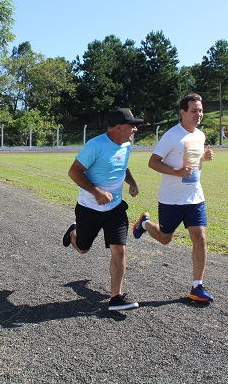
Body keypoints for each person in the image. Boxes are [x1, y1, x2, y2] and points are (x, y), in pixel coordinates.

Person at [132, 93, 215, 302]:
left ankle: (197, 286)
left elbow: (193, 163)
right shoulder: (171, 135)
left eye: (201, 110)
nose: (199, 114)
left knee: (200, 238)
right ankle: (145, 224)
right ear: (183, 112)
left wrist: (203, 158)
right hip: (171, 199)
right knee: (165, 238)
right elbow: (153, 162)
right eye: (194, 110)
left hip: (194, 197)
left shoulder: (200, 135)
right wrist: (176, 172)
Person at [62, 108, 143, 311]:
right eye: (132, 125)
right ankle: (73, 231)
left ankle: (116, 297)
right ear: (118, 127)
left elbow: (122, 167)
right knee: (82, 248)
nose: (135, 129)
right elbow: (74, 172)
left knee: (119, 249)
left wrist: (131, 182)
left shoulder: (126, 145)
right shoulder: (96, 145)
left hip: (115, 208)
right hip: (89, 207)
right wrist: (96, 191)